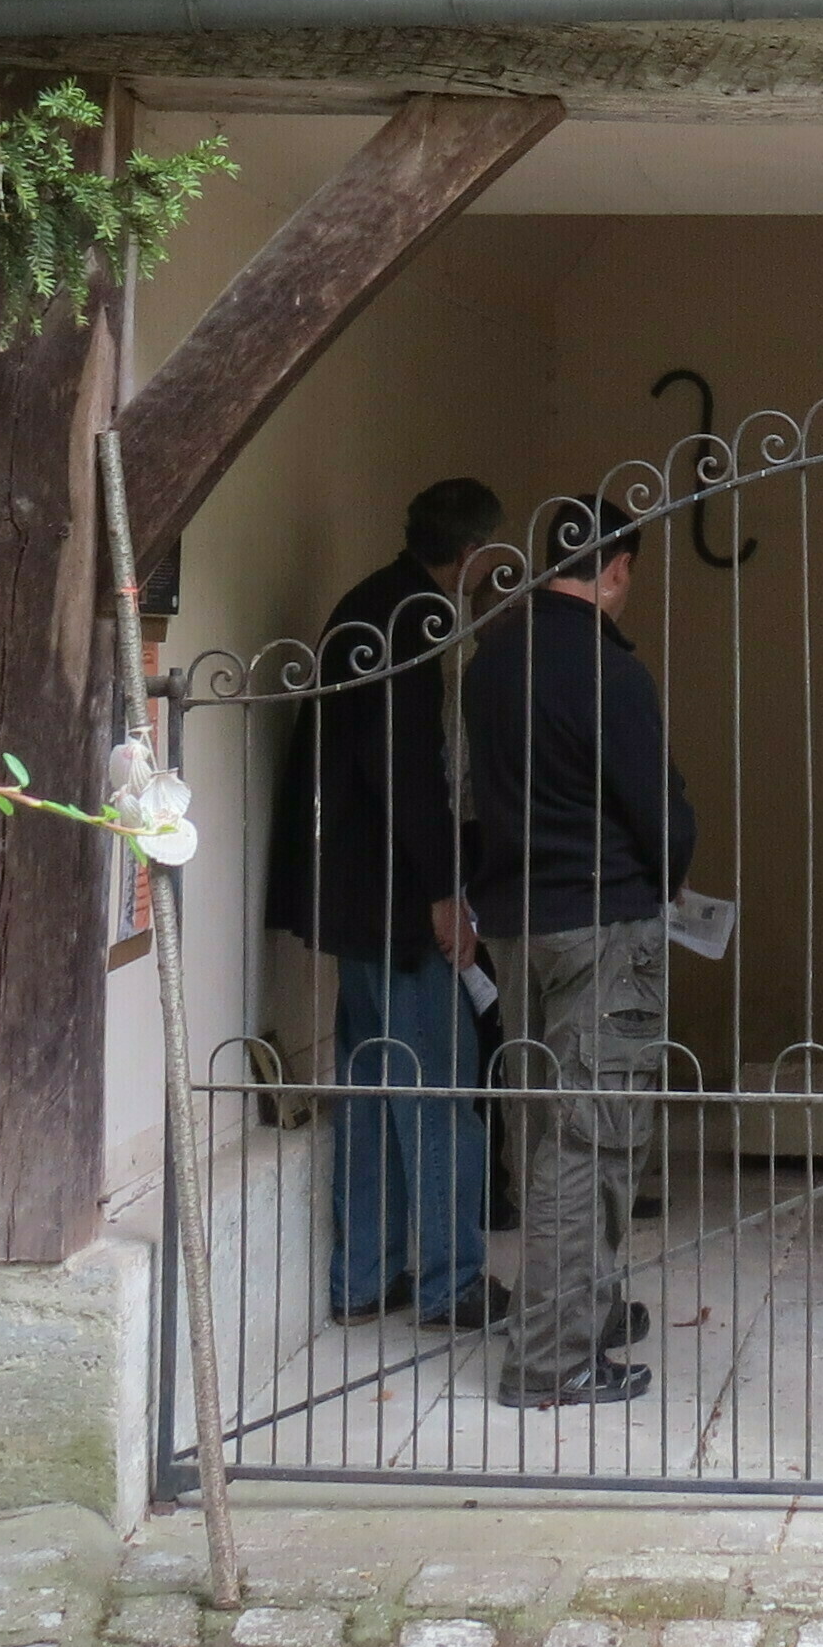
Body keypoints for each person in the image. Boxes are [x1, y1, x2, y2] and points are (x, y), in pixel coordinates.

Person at [465, 495, 697, 1408]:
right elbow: (660, 813)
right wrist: (670, 865)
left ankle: (581, 1312)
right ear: (618, 569)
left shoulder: (492, 663)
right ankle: (554, 1360)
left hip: (520, 923)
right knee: (589, 1141)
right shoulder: (609, 672)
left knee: (543, 1131)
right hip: (604, 928)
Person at [268, 477, 506, 1331]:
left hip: (354, 894)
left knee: (371, 1084)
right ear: (473, 551)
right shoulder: (417, 616)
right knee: (441, 1086)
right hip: (400, 897)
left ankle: (364, 1277)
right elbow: (408, 767)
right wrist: (446, 892)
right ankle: (452, 1281)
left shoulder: (370, 600)